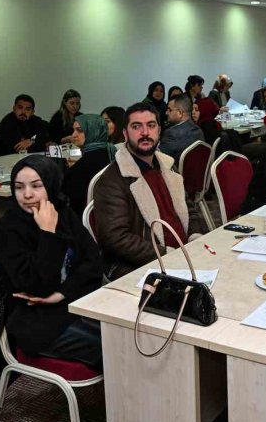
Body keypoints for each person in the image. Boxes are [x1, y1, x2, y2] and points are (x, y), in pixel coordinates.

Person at [0, 155, 103, 370]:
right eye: (19, 187)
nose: (27, 194)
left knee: (128, 333)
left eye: (36, 185)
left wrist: (60, 294)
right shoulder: (9, 230)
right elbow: (38, 286)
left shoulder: (61, 211)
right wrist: (47, 233)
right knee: (114, 346)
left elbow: (93, 263)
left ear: (50, 185)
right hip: (37, 323)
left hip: (71, 304)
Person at [93, 103, 197, 281]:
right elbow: (116, 238)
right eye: (136, 126)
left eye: (151, 125)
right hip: (143, 266)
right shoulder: (112, 180)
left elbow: (190, 209)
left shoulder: (168, 166)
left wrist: (196, 236)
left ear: (159, 130)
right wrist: (169, 255)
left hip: (186, 256)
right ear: (125, 133)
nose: (145, 133)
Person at [61, 114, 116, 216]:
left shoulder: (88, 161)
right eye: (74, 130)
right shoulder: (110, 150)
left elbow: (70, 194)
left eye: (80, 130)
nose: (73, 135)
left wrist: (70, 169)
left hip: (85, 218)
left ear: (93, 131)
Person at [159, 93, 203, 162]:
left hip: (175, 172)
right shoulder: (198, 130)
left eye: (169, 110)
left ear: (180, 113)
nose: (166, 113)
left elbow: (159, 159)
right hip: (198, 172)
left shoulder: (171, 134)